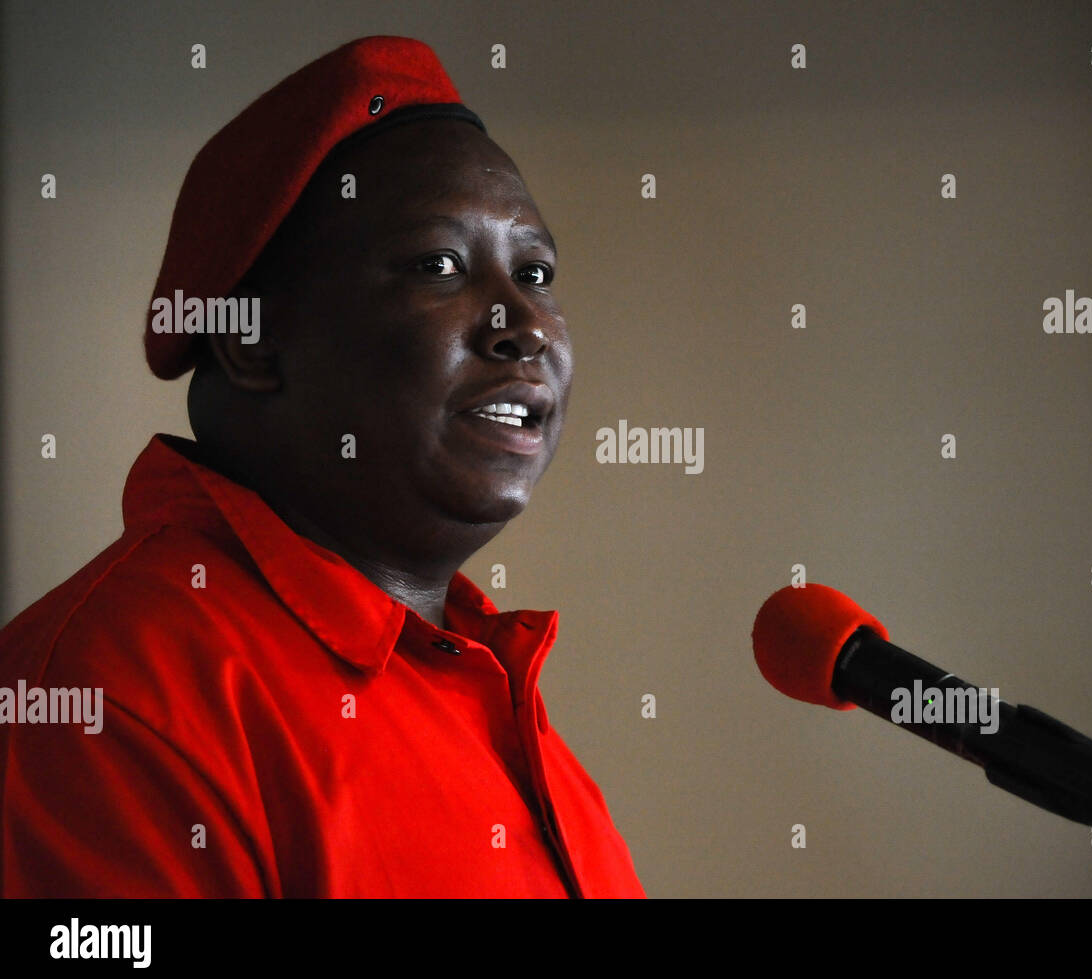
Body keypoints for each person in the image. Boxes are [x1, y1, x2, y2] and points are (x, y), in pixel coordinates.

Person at [0, 35, 644, 898]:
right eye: (440, 265)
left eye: (536, 271)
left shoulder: (487, 687)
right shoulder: (107, 701)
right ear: (252, 339)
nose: (523, 322)